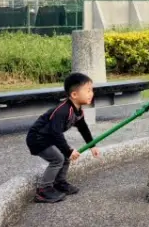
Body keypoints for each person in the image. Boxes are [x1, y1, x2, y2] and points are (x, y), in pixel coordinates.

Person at [26, 72, 101, 203]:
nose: (91, 93)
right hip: (37, 138)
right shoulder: (63, 110)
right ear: (74, 95)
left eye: (92, 90)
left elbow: (83, 128)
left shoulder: (78, 110)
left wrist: (92, 145)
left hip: (49, 137)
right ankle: (43, 190)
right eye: (88, 90)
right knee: (58, 159)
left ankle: (59, 182)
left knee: (64, 157)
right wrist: (68, 150)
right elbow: (55, 132)